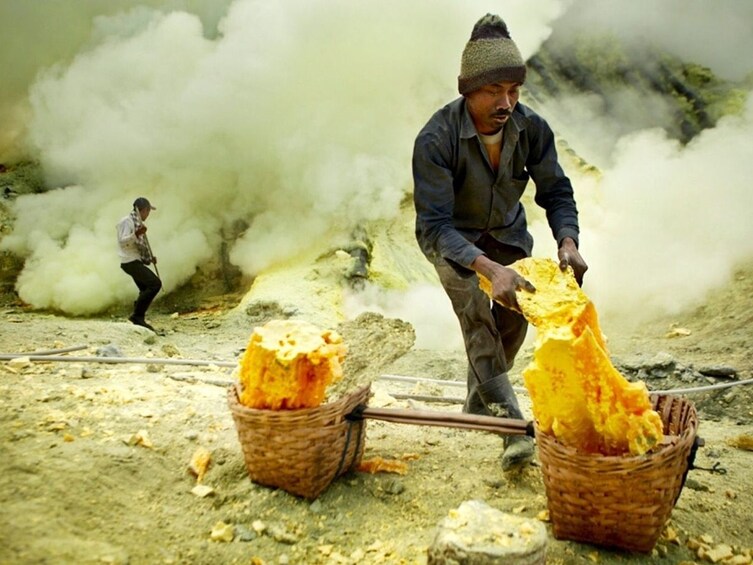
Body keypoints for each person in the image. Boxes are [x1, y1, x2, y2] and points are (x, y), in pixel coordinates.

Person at [412, 14, 588, 470]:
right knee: (477, 316)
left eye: (514, 90)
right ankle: (510, 425)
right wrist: (487, 269)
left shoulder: (533, 130)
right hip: (454, 242)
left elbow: (557, 192)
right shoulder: (435, 139)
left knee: (514, 318)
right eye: (494, 91)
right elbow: (433, 224)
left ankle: (477, 406)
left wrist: (567, 240)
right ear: (467, 90)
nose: (506, 101)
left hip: (508, 234)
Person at [117, 197, 162, 332]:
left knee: (145, 288)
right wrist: (136, 234)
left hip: (133, 260)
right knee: (155, 284)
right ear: (142, 210)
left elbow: (137, 247)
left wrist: (148, 259)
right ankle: (137, 316)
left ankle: (138, 315)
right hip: (129, 261)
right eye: (148, 211)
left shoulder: (137, 222)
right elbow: (122, 242)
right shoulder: (127, 221)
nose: (148, 214)